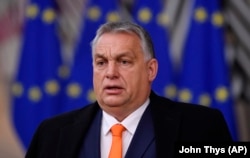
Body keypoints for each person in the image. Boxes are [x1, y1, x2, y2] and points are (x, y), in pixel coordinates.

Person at [25, 21, 232, 158]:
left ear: (150, 70)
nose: (110, 73)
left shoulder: (203, 126)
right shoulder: (51, 134)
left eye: (124, 61)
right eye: (101, 62)